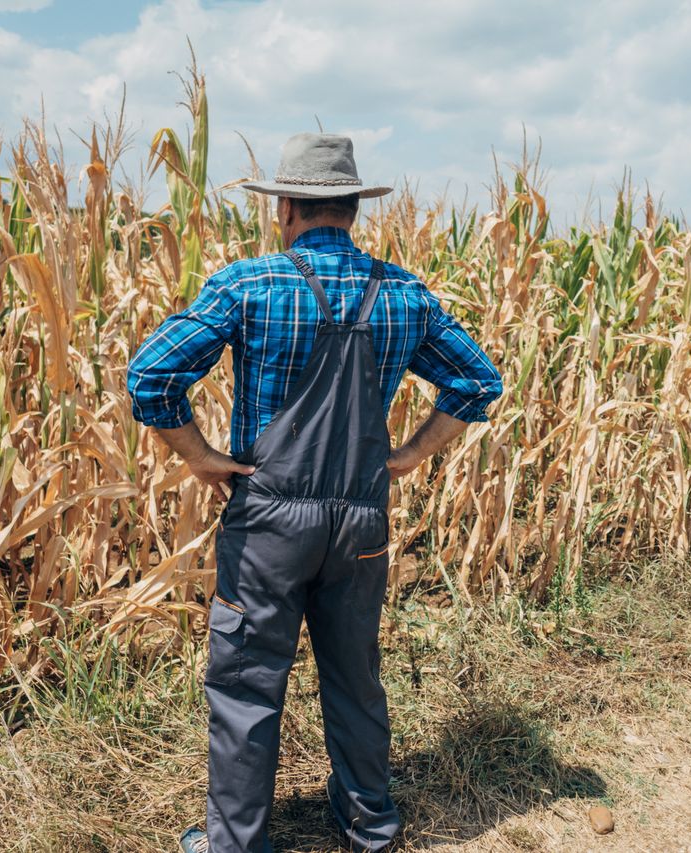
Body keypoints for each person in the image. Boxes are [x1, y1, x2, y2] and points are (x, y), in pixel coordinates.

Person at [127, 132, 503, 853]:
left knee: (246, 683)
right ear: (353, 210)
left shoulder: (250, 285)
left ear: (286, 209)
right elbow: (477, 381)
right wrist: (412, 453)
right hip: (361, 519)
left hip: (269, 519)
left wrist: (203, 454)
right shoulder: (403, 295)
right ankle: (370, 825)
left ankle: (236, 844)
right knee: (354, 674)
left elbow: (150, 377)